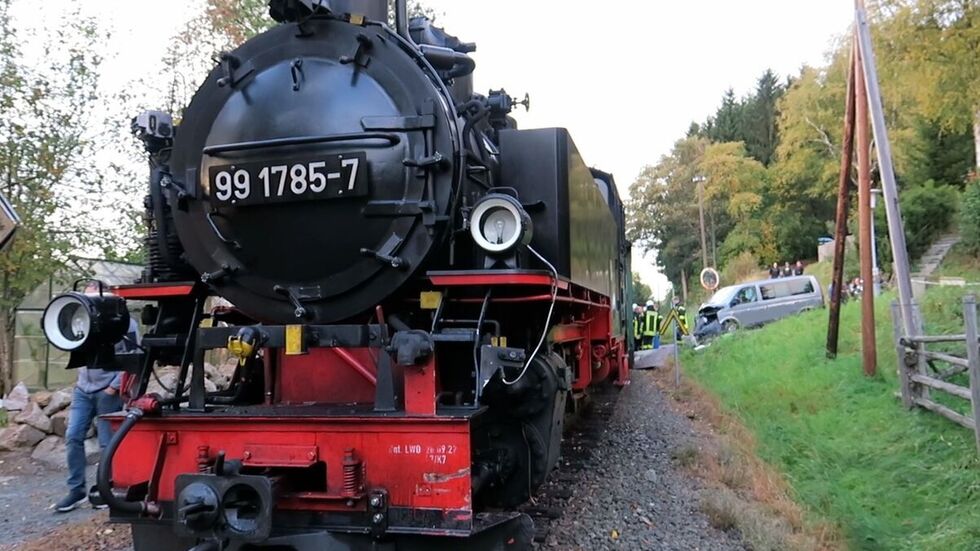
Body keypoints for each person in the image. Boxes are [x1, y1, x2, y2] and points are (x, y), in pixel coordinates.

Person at [55, 294, 139, 513]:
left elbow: (133, 356)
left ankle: (106, 488)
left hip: (107, 390)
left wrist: (114, 386)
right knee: (73, 436)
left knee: (106, 443)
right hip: (83, 389)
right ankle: (76, 491)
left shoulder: (126, 323)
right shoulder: (79, 317)